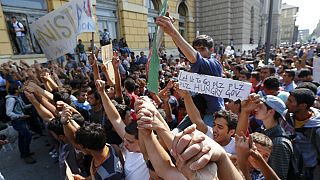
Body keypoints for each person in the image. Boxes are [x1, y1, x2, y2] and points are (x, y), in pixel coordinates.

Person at [156, 16, 224, 127]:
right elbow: (184, 49)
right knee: (175, 134)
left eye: (202, 49)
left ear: (211, 50)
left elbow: (194, 57)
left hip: (211, 114)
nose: (198, 52)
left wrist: (172, 31)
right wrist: (170, 32)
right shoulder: (195, 63)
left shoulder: (213, 64)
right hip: (196, 110)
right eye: (195, 49)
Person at [61, 106, 124, 180]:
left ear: (86, 148)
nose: (77, 147)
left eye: (79, 146)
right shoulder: (110, 147)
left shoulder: (111, 175)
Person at [237, 94, 292, 179]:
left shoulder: (280, 143)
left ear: (271, 111)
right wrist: (245, 111)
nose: (255, 108)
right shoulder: (262, 131)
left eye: (260, 106)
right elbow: (239, 139)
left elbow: (278, 177)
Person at [284, 88, 320, 179]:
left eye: (290, 101)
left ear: (303, 106)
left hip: (310, 172)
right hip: (290, 168)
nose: (286, 103)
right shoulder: (286, 116)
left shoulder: (317, 128)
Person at [5, 83, 36, 164]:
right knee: (27, 136)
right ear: (16, 90)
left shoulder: (17, 97)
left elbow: (23, 107)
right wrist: (20, 116)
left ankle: (24, 153)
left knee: (22, 137)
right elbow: (9, 112)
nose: (21, 88)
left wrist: (33, 104)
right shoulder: (11, 100)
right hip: (17, 121)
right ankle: (26, 155)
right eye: (19, 87)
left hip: (21, 120)